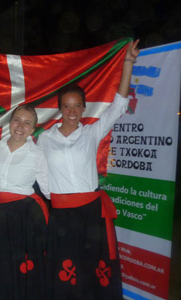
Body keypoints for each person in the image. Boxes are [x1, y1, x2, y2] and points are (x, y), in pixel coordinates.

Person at [37, 40, 140, 300]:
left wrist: (127, 62)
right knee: (66, 270)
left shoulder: (92, 133)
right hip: (61, 215)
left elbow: (119, 104)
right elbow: (39, 171)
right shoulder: (45, 139)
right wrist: (52, 197)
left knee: (95, 269)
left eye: (77, 106)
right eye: (66, 106)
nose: (72, 111)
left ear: (84, 107)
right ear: (59, 109)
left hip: (91, 212)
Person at [0, 104, 50, 300]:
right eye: (17, 120)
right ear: (10, 122)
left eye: (27, 123)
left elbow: (48, 189)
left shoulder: (37, 154)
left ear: (33, 128)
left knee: (21, 268)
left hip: (24, 218)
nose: (20, 126)